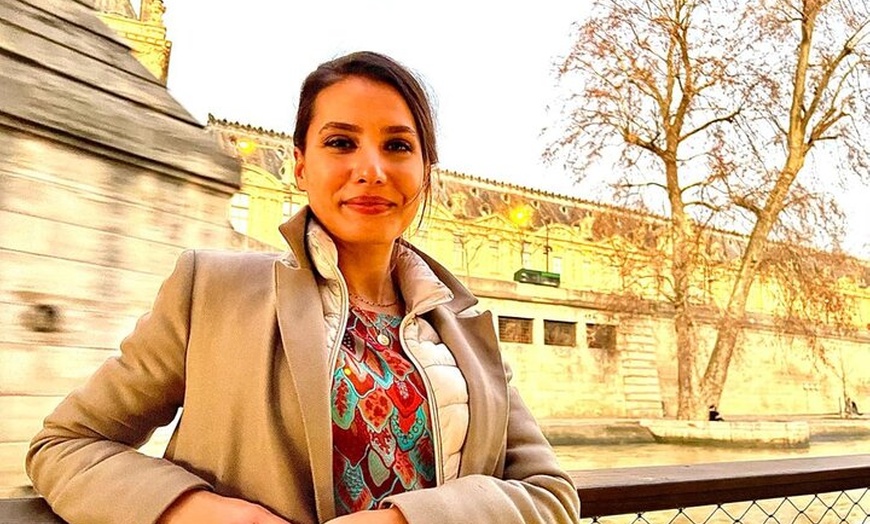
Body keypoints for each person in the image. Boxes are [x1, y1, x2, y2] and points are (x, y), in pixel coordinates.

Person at [26, 51, 581, 524]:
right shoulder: (212, 292)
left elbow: (552, 496)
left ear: (425, 173)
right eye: (340, 142)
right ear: (299, 165)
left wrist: (410, 519)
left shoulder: (466, 328)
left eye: (397, 146)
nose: (371, 169)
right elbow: (64, 445)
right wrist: (194, 509)